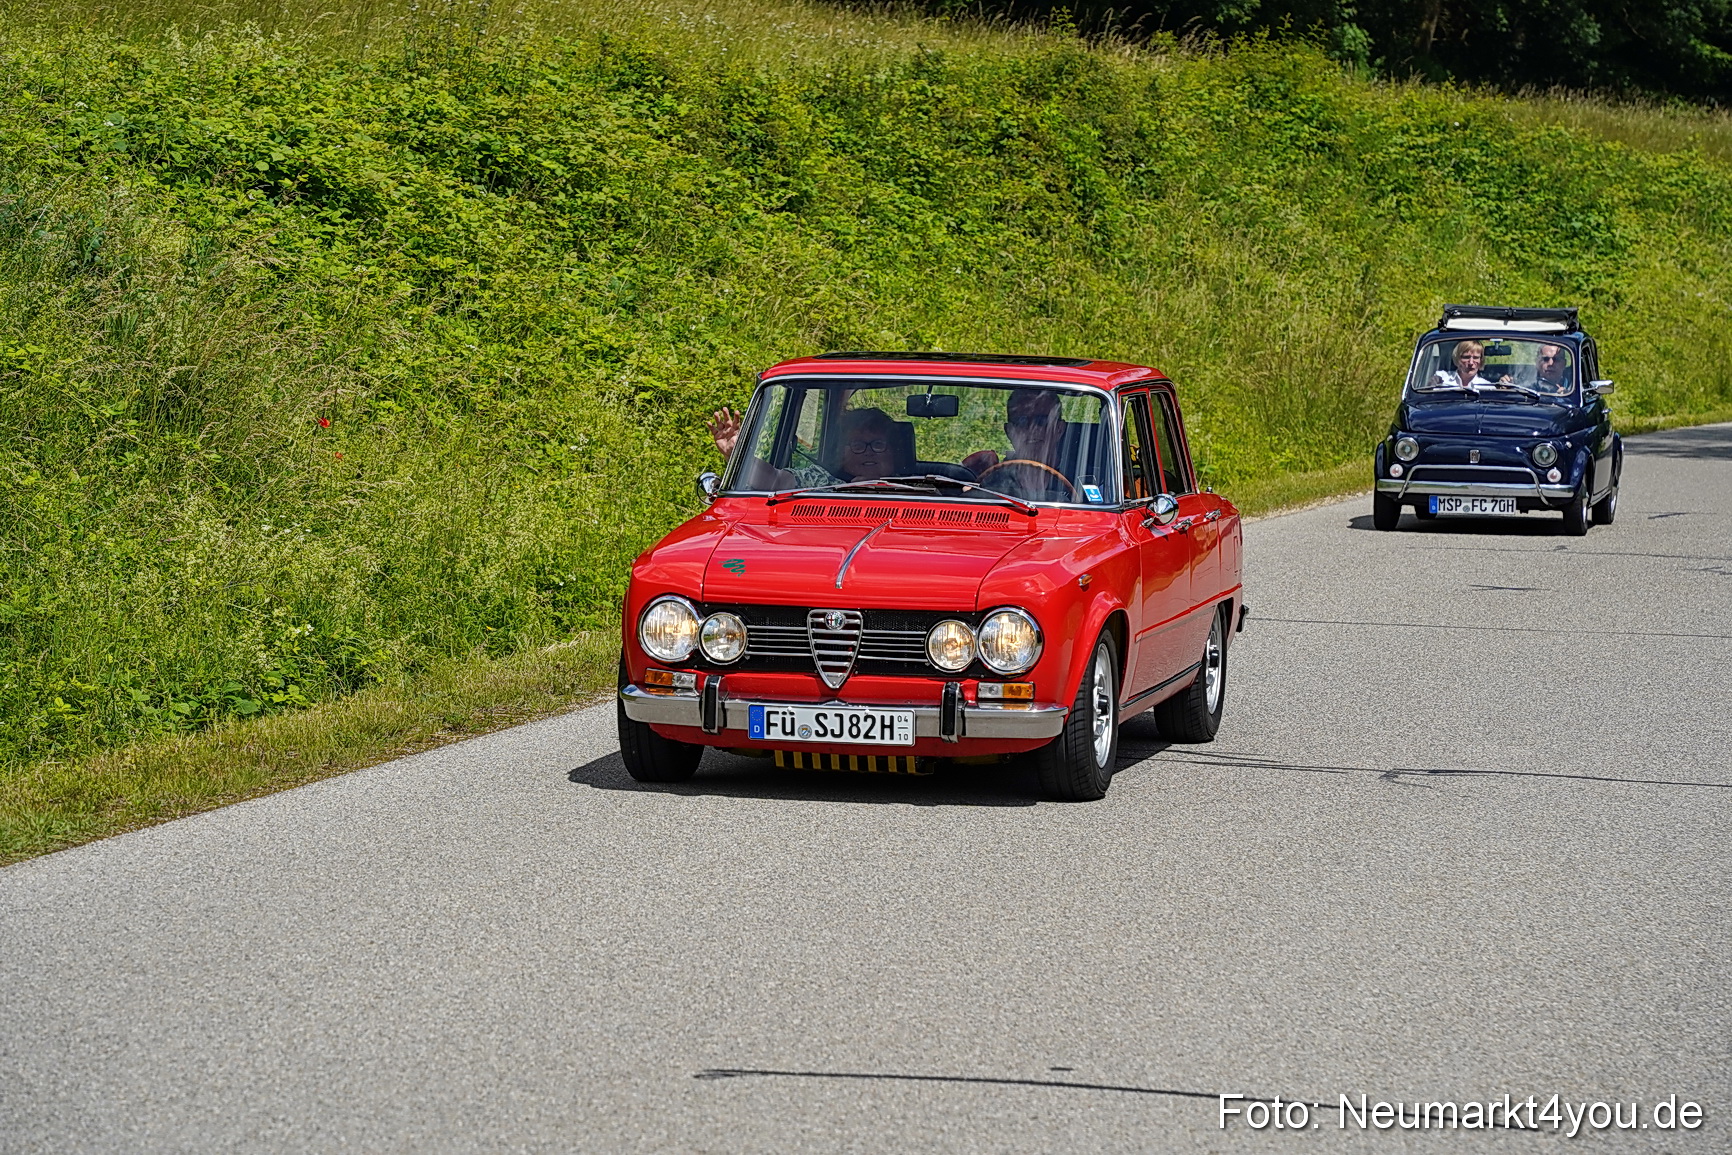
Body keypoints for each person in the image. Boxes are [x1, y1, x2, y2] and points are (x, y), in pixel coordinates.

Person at [705, 404, 903, 491]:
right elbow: (773, 481)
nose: (868, 451)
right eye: (858, 444)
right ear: (841, 451)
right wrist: (736, 453)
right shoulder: (821, 480)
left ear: (893, 450)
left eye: (878, 444)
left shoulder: (923, 489)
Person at [961, 388, 1069, 477]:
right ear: (1009, 431)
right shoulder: (993, 477)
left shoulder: (1080, 474)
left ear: (1059, 429)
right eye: (1021, 421)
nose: (1031, 429)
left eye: (1041, 421)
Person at [1429, 340, 1495, 392]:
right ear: (1457, 358)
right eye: (1466, 357)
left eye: (1475, 358)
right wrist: (1431, 384)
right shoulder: (1443, 378)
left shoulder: (1487, 388)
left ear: (1481, 360)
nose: (1471, 362)